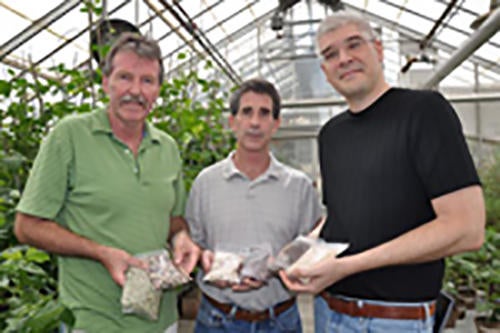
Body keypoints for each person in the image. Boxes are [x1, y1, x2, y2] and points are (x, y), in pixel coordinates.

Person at [279, 11, 486, 333]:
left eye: (354, 45)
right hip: (327, 313)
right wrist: (300, 249)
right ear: (325, 70)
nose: (344, 59)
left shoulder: (424, 111)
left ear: (378, 50)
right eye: (331, 54)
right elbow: (338, 217)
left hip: (393, 319)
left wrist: (346, 267)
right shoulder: (332, 134)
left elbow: (467, 228)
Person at [14, 33, 200, 333]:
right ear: (106, 82)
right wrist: (101, 252)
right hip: (94, 320)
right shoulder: (70, 136)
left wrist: (182, 239)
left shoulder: (167, 147)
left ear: (158, 90)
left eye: (148, 81)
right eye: (125, 77)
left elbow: (173, 220)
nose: (136, 91)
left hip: (162, 320)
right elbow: (27, 225)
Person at [185, 78, 323, 333]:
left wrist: (275, 265)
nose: (255, 122)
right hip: (216, 319)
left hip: (280, 320)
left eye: (264, 113)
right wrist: (204, 258)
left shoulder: (298, 186)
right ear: (232, 122)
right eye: (246, 112)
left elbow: (310, 245)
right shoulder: (206, 183)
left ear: (276, 123)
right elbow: (195, 241)